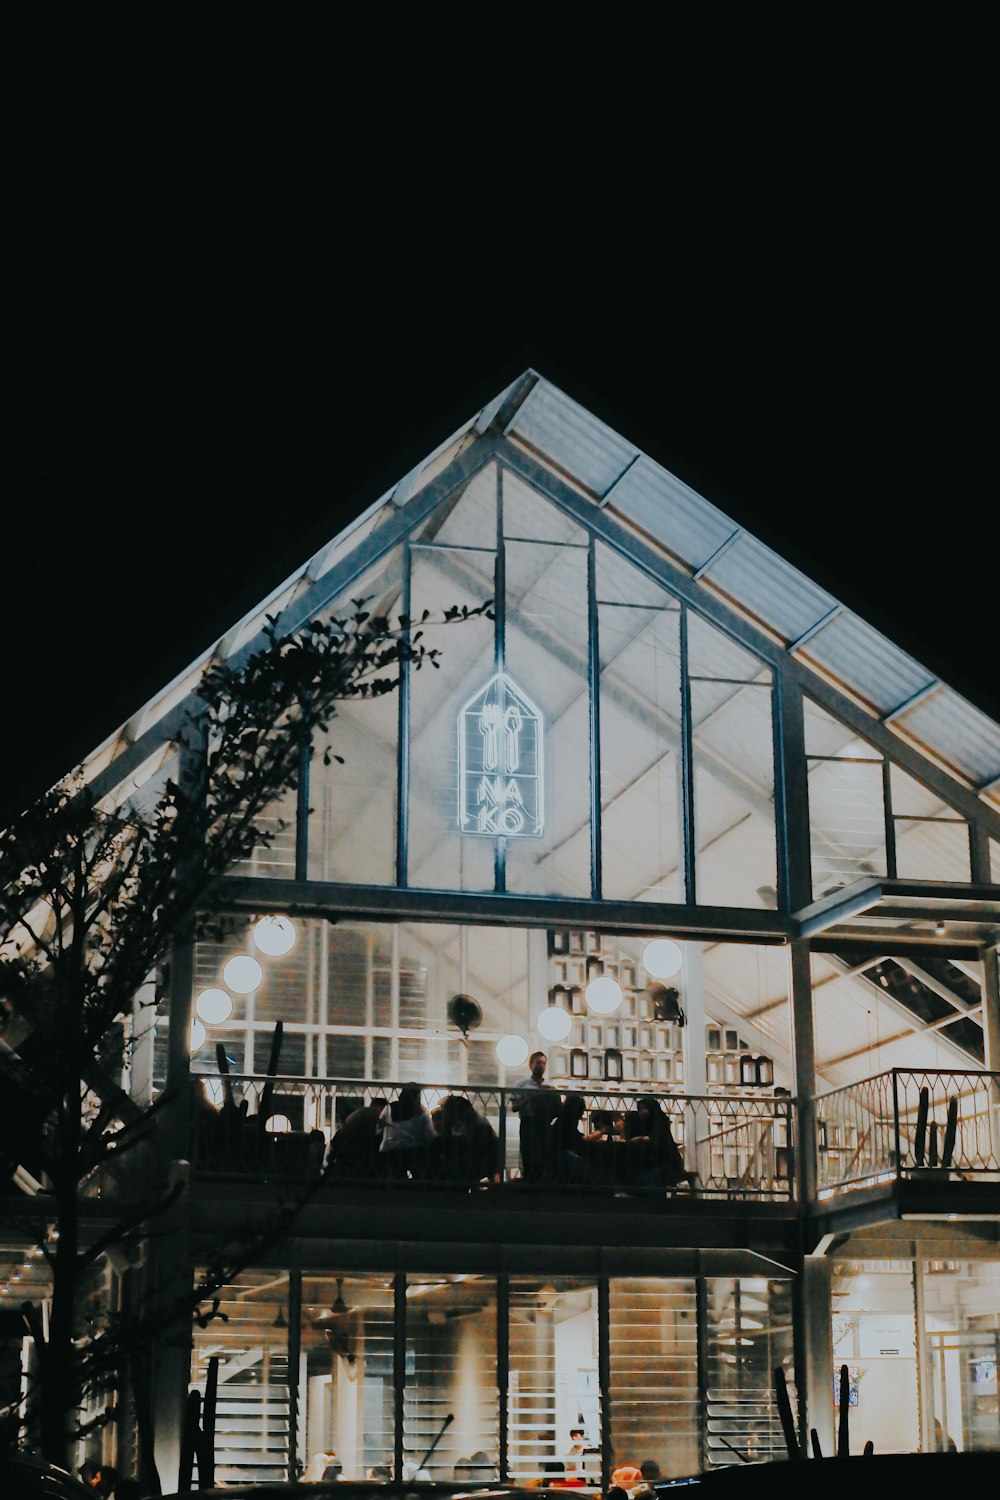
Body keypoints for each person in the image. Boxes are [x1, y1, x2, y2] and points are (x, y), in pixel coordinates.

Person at [510, 1051, 559, 1181]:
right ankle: (529, 1180)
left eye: (543, 1063)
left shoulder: (549, 1087)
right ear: (530, 1065)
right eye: (538, 1062)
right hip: (528, 1123)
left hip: (544, 1125)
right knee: (528, 1155)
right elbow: (514, 1107)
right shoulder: (521, 1085)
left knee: (544, 1155)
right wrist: (529, 1098)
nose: (541, 1066)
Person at [431, 1093, 500, 1185]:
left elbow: (476, 1150)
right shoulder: (454, 1124)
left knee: (452, 1169)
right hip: (465, 1160)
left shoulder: (479, 1126)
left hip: (478, 1161)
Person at [626, 1096, 694, 1188]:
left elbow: (655, 1138)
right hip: (658, 1161)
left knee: (647, 1179)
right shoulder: (649, 1122)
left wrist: (639, 1139)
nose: (641, 1113)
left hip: (668, 1163)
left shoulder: (660, 1120)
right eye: (639, 1110)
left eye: (643, 1109)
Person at [378, 1083, 436, 1179]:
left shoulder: (389, 1108)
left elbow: (379, 1128)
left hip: (389, 1150)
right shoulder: (421, 1115)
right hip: (412, 1152)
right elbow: (430, 1137)